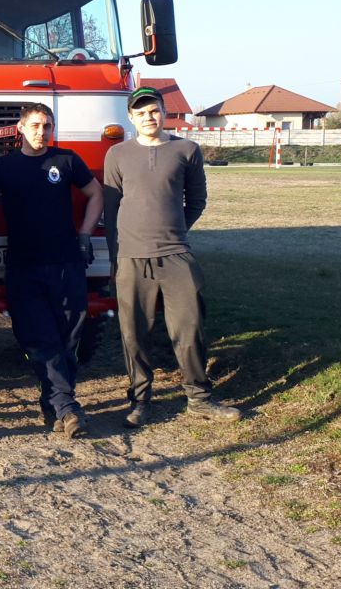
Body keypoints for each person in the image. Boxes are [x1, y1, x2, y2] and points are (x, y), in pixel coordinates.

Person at [105, 87, 241, 426]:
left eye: (153, 110)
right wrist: (115, 257)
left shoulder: (187, 150)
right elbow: (111, 208)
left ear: (164, 112)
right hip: (132, 257)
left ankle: (200, 398)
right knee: (134, 333)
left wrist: (176, 230)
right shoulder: (117, 154)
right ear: (131, 117)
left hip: (176, 254)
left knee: (189, 327)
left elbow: (196, 200)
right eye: (140, 113)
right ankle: (140, 400)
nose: (148, 117)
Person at [0, 105, 102, 439]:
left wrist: (85, 234)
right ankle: (67, 408)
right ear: (20, 128)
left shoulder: (66, 160)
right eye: (35, 125)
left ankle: (54, 404)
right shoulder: (2, 167)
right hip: (24, 266)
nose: (42, 132)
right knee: (40, 339)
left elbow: (95, 193)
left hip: (67, 263)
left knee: (69, 340)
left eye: (47, 126)